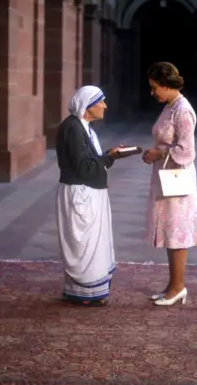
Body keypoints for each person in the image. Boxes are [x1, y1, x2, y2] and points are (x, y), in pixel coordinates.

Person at [142, 61, 197, 306]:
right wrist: (155, 153)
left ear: (167, 85)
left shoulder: (182, 110)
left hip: (178, 181)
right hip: (166, 178)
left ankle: (179, 287)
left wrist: (159, 153)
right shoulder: (169, 106)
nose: (152, 92)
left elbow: (187, 151)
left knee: (177, 232)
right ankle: (172, 284)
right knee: (170, 230)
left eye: (155, 87)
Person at [55, 85, 124, 306]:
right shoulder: (73, 129)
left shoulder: (83, 126)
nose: (105, 106)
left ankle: (87, 292)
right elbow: (84, 168)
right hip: (81, 194)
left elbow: (90, 162)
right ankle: (82, 293)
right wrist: (108, 157)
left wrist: (109, 157)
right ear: (87, 106)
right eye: (100, 102)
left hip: (90, 193)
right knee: (82, 244)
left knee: (92, 243)